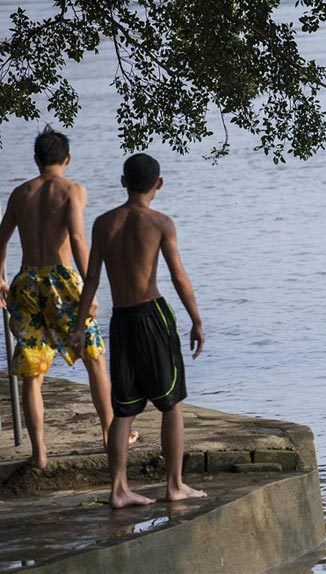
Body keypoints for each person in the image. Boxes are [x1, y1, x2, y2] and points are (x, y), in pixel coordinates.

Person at [72, 152, 206, 509]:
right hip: (152, 316)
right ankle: (175, 485)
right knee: (171, 403)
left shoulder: (103, 223)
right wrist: (196, 320)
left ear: (123, 182)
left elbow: (91, 279)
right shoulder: (160, 223)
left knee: (124, 409)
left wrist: (80, 325)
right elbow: (178, 276)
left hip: (121, 320)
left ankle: (118, 489)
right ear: (158, 184)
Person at [0, 126, 136, 469]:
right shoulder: (73, 190)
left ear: (36, 159)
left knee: (32, 371)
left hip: (27, 281)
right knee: (94, 356)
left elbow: (1, 239)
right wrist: (90, 286)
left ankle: (39, 453)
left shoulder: (20, 193)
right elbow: (77, 239)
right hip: (61, 281)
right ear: (68, 159)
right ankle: (109, 436)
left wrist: (0, 277)